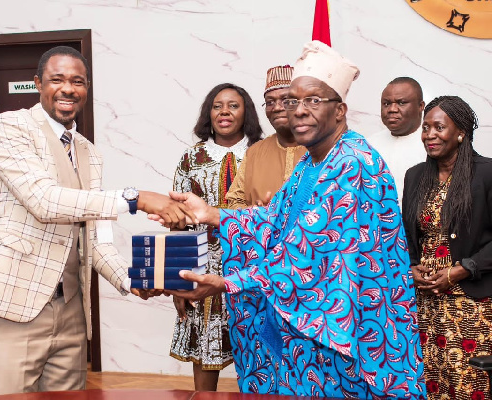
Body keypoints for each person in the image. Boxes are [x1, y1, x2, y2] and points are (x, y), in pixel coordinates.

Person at [157, 41, 425, 398]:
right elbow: (274, 220)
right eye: (291, 101)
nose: (297, 110)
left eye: (313, 100)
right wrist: (210, 214)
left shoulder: (353, 164)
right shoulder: (311, 164)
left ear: (340, 110)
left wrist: (225, 283)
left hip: (352, 336)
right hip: (314, 331)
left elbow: (308, 251)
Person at [0, 46, 194, 395]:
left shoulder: (89, 151)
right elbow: (44, 201)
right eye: (56, 79)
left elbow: (96, 237)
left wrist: (132, 281)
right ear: (37, 84)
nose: (68, 89)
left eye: (78, 81)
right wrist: (136, 198)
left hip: (72, 312)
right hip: (14, 304)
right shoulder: (10, 126)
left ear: (86, 89)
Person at [170, 83, 262, 391]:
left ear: (246, 112)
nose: (224, 111)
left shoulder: (262, 152)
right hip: (203, 266)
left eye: (233, 105)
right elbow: (177, 222)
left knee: (260, 353)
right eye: (217, 105)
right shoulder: (191, 158)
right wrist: (178, 282)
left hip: (254, 267)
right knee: (205, 355)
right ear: (208, 113)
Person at [403, 96, 492, 399]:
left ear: (460, 133)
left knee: (469, 383)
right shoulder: (415, 176)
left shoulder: (486, 173)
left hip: (472, 303)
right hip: (426, 302)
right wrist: (412, 267)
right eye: (425, 127)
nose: (429, 134)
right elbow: (407, 236)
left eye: (438, 127)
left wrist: (461, 270)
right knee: (429, 380)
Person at [226, 65, 306, 208]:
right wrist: (254, 213)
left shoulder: (325, 150)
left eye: (286, 100)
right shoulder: (254, 153)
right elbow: (235, 201)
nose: (276, 107)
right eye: (270, 102)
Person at [369, 77, 426, 201]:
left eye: (401, 103)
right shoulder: (369, 145)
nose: (392, 109)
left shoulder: (433, 145)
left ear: (420, 106)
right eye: (386, 103)